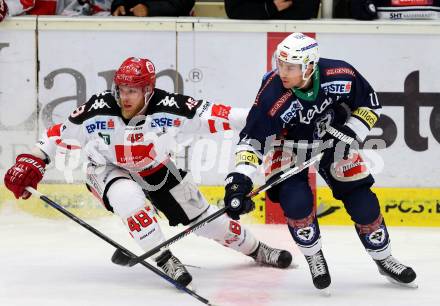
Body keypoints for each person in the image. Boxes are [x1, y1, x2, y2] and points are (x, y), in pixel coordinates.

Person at [4, 57, 292, 288]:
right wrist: (33, 160)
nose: (124, 97)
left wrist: (270, 121)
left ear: (148, 91)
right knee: (129, 198)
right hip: (106, 168)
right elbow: (57, 134)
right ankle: (163, 256)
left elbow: (223, 115)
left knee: (210, 224)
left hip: (155, 167)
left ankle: (257, 249)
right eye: (121, 89)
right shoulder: (97, 107)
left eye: (133, 91)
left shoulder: (170, 107)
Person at [223, 33, 417, 292]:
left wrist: (349, 134)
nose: (283, 72)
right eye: (280, 64)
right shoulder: (271, 93)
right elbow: (252, 140)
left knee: (363, 203)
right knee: (296, 202)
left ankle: (384, 259)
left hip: (332, 137)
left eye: (290, 67)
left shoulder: (339, 72)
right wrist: (239, 180)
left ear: (310, 66)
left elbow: (370, 105)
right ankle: (314, 256)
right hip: (289, 145)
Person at [224, 0, 320, 20]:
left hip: (299, 35)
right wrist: (271, 7)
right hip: (251, 38)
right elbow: (234, 10)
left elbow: (307, 10)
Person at [111, 0, 194, 17]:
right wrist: (119, 5)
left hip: (169, 34)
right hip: (128, 33)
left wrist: (149, 9)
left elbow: (183, 4)